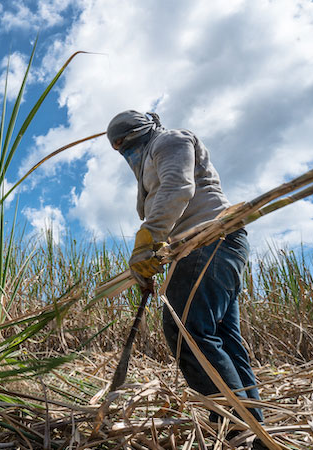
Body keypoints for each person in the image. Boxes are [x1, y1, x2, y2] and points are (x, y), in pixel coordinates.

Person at [106, 110, 265, 428]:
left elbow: (178, 188)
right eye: (119, 147)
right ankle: (252, 432)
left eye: (126, 142)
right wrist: (150, 264)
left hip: (210, 240)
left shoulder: (170, 140)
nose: (125, 151)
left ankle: (234, 423)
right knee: (222, 338)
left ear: (142, 131)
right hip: (200, 249)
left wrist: (147, 240)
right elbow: (170, 209)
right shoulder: (150, 162)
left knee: (186, 331)